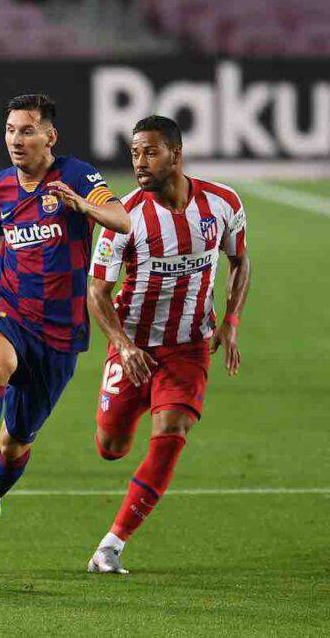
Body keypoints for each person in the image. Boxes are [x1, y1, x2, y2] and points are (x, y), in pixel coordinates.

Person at [86, 116, 250, 574]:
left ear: (176, 155)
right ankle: (136, 406)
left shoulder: (222, 204)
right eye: (135, 153)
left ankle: (111, 546)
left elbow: (239, 260)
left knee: (172, 432)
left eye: (150, 152)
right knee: (110, 446)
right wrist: (122, 343)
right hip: (133, 346)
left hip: (189, 345)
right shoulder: (124, 217)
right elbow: (97, 292)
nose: (140, 162)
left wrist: (232, 320)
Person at [0, 94, 131, 525]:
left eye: (28, 130)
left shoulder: (77, 174)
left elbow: (122, 218)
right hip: (9, 300)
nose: (16, 140)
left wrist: (82, 205)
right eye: (11, 130)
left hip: (59, 327)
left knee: (14, 444)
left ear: (50, 135)